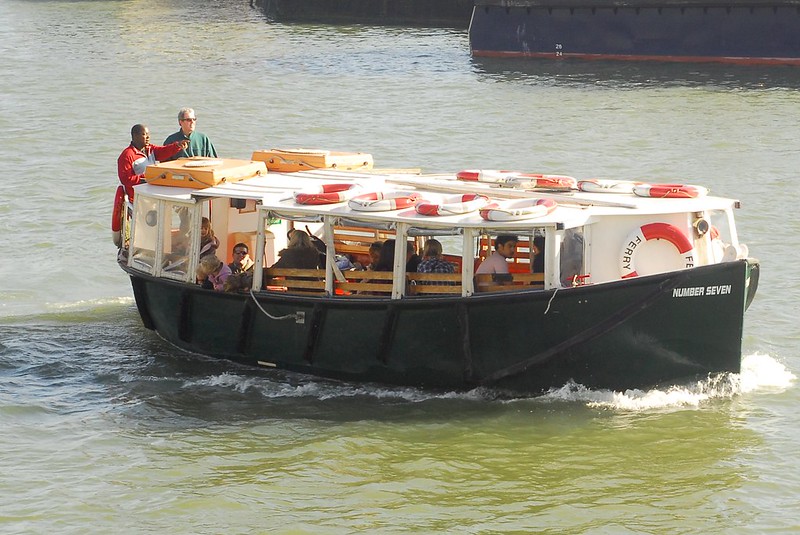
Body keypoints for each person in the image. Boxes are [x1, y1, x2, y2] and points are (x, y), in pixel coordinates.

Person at [117, 124, 188, 199]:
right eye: (144, 134)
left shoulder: (150, 149)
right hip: (137, 197)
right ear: (135, 136)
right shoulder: (127, 155)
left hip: (151, 194)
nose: (148, 137)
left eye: (148, 134)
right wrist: (148, 177)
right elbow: (125, 179)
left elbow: (163, 151)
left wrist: (178, 146)